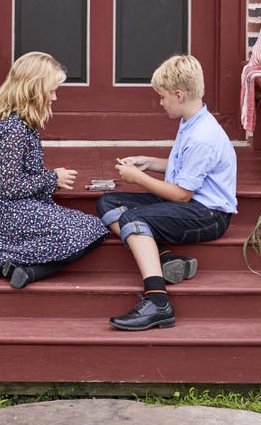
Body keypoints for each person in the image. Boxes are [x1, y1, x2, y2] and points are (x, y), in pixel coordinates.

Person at [96, 53, 237, 331]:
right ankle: (165, 258)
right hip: (190, 202)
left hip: (207, 214)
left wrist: (139, 178)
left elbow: (182, 194)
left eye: (162, 97)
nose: (160, 103)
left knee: (132, 219)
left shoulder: (203, 137)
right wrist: (148, 163)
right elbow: (183, 171)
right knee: (108, 202)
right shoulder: (191, 122)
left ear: (179, 94)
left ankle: (158, 301)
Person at [0, 51, 108, 288]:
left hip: (18, 209)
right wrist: (52, 178)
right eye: (51, 91)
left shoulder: (22, 124)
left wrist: (47, 176)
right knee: (92, 229)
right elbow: (10, 186)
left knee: (88, 228)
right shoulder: (15, 130)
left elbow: (19, 174)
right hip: (10, 213)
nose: (54, 98)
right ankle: (25, 270)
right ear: (33, 90)